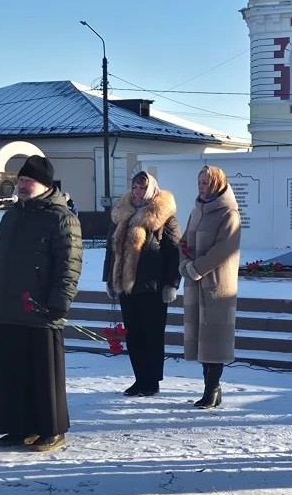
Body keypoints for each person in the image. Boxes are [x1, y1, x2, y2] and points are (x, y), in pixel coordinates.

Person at [0, 155, 83, 452]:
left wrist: (60, 302)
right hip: (8, 308)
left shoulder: (61, 217)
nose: (22, 186)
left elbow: (69, 265)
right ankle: (19, 427)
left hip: (40, 309)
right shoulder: (12, 215)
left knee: (43, 375)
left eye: (29, 181)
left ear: (45, 185)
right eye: (21, 180)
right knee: (12, 372)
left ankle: (51, 429)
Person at [103, 171, 181, 397]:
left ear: (151, 190)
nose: (137, 192)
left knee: (152, 335)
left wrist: (171, 283)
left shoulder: (164, 218)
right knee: (134, 335)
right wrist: (109, 279)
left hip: (152, 288)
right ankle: (139, 378)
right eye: (135, 187)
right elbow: (111, 250)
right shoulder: (122, 215)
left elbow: (174, 254)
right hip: (127, 286)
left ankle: (152, 381)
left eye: (142, 188)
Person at [180, 165, 241, 409]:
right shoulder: (197, 211)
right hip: (195, 284)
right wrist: (184, 262)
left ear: (217, 184)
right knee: (201, 339)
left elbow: (225, 248)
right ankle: (211, 388)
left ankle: (212, 388)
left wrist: (197, 267)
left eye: (206, 182)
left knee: (214, 340)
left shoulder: (229, 213)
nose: (201, 187)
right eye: (199, 182)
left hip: (217, 285)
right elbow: (184, 241)